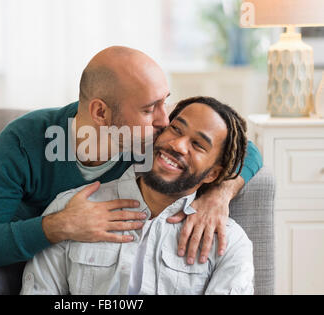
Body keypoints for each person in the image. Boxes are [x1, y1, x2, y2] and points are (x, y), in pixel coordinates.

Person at [0, 46, 262, 294]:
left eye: (166, 103)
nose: (166, 121)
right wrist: (59, 225)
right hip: (4, 225)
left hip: (52, 246)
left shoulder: (155, 143)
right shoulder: (27, 137)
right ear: (100, 112)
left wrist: (218, 195)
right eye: (150, 109)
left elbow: (243, 150)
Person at [21, 96, 254, 295]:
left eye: (198, 144)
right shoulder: (72, 208)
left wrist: (222, 194)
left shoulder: (229, 242)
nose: (179, 145)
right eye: (176, 129)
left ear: (212, 174)